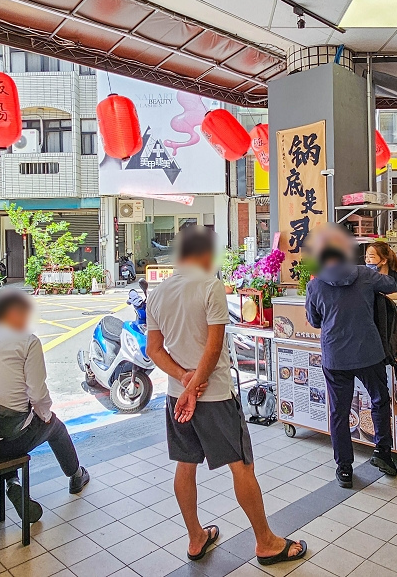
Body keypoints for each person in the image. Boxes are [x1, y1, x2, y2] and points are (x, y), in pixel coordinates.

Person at [147, 227, 307, 566]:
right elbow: (214, 345)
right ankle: (265, 542)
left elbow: (154, 350)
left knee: (185, 466)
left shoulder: (158, 292)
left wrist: (184, 381)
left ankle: (195, 538)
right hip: (215, 395)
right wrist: (196, 387)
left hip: (177, 397)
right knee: (242, 467)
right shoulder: (210, 286)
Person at [0, 288, 89, 523]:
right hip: (11, 440)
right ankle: (76, 476)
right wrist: (46, 416)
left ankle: (12, 483)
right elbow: (38, 395)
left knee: (3, 431)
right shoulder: (27, 342)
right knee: (54, 427)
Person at [305, 228, 397, 488]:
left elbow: (314, 321)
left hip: (335, 357)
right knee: (380, 400)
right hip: (369, 351)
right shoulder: (365, 274)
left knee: (339, 411)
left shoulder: (314, 285)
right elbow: (392, 285)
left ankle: (344, 469)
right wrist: (384, 265)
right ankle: (383, 453)